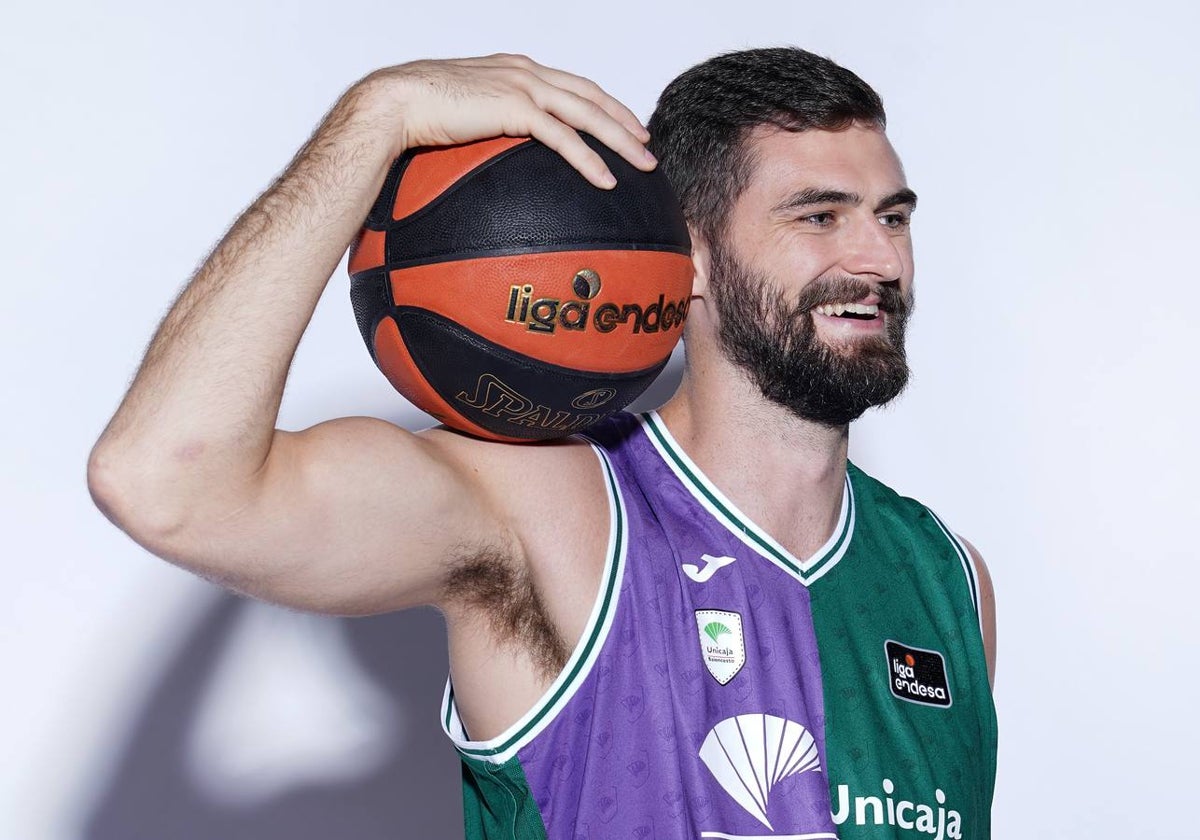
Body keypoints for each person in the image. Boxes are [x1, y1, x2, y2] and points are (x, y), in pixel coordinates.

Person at [89, 48, 997, 839]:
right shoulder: (552, 510)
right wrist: (376, 118)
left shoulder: (947, 580)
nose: (878, 260)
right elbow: (165, 482)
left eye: (893, 216)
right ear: (691, 260)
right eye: (820, 216)